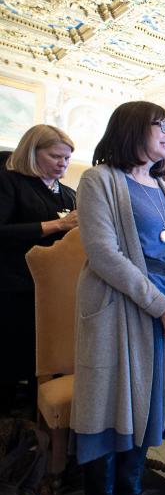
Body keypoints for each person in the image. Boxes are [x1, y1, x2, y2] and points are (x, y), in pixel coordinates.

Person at [71, 101, 165, 495]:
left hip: (164, 315)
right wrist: (162, 306)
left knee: (147, 408)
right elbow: (104, 254)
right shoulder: (99, 181)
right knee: (110, 407)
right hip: (117, 312)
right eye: (160, 125)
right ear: (131, 129)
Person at [0, 125, 78, 415]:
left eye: (67, 158)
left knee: (48, 360)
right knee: (16, 358)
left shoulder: (69, 194)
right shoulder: (10, 182)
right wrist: (56, 225)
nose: (63, 163)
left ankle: (43, 421)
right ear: (32, 153)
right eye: (56, 156)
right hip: (17, 285)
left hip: (58, 289)